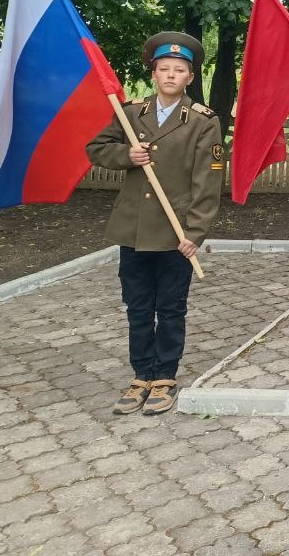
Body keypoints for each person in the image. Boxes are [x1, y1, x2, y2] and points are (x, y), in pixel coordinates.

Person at [86, 32, 223, 415]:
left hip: (174, 232)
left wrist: (195, 233)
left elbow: (207, 182)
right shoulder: (130, 114)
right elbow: (96, 149)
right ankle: (140, 375)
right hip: (133, 228)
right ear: (154, 72)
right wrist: (127, 154)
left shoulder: (202, 121)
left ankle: (165, 377)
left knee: (171, 307)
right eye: (164, 69)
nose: (170, 75)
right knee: (138, 307)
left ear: (189, 78)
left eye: (179, 70)